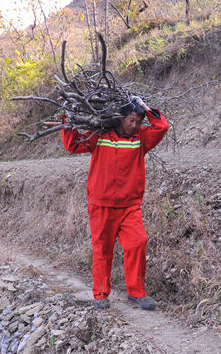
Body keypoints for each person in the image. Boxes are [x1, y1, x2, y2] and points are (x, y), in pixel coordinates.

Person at [61, 96, 169, 310]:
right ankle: (100, 293)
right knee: (102, 249)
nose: (135, 125)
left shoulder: (141, 138)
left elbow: (162, 126)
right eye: (131, 120)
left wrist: (144, 107)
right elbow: (72, 144)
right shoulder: (100, 136)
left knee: (138, 242)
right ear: (120, 118)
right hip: (101, 205)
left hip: (130, 207)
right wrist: (67, 117)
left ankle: (136, 292)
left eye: (138, 121)